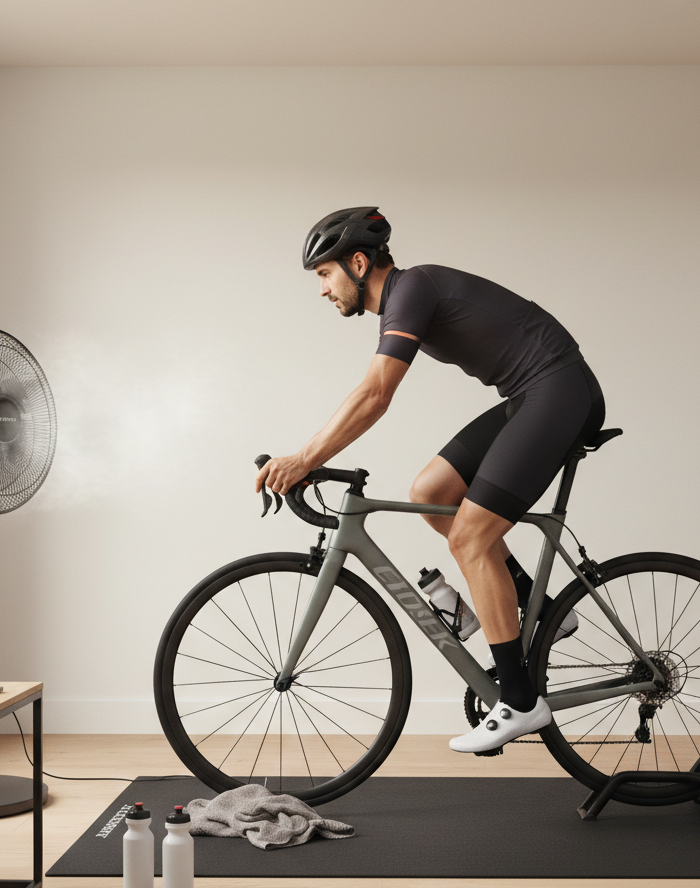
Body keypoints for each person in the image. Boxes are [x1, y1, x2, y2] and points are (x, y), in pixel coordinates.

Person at [256, 207, 606, 754]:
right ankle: (529, 607)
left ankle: (518, 699)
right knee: (432, 493)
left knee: (471, 536)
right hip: (532, 395)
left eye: (324, 275)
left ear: (356, 261)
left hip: (559, 391)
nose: (322, 291)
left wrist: (302, 458)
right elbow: (372, 394)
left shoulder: (411, 287)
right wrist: (308, 456)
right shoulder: (404, 300)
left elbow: (375, 394)